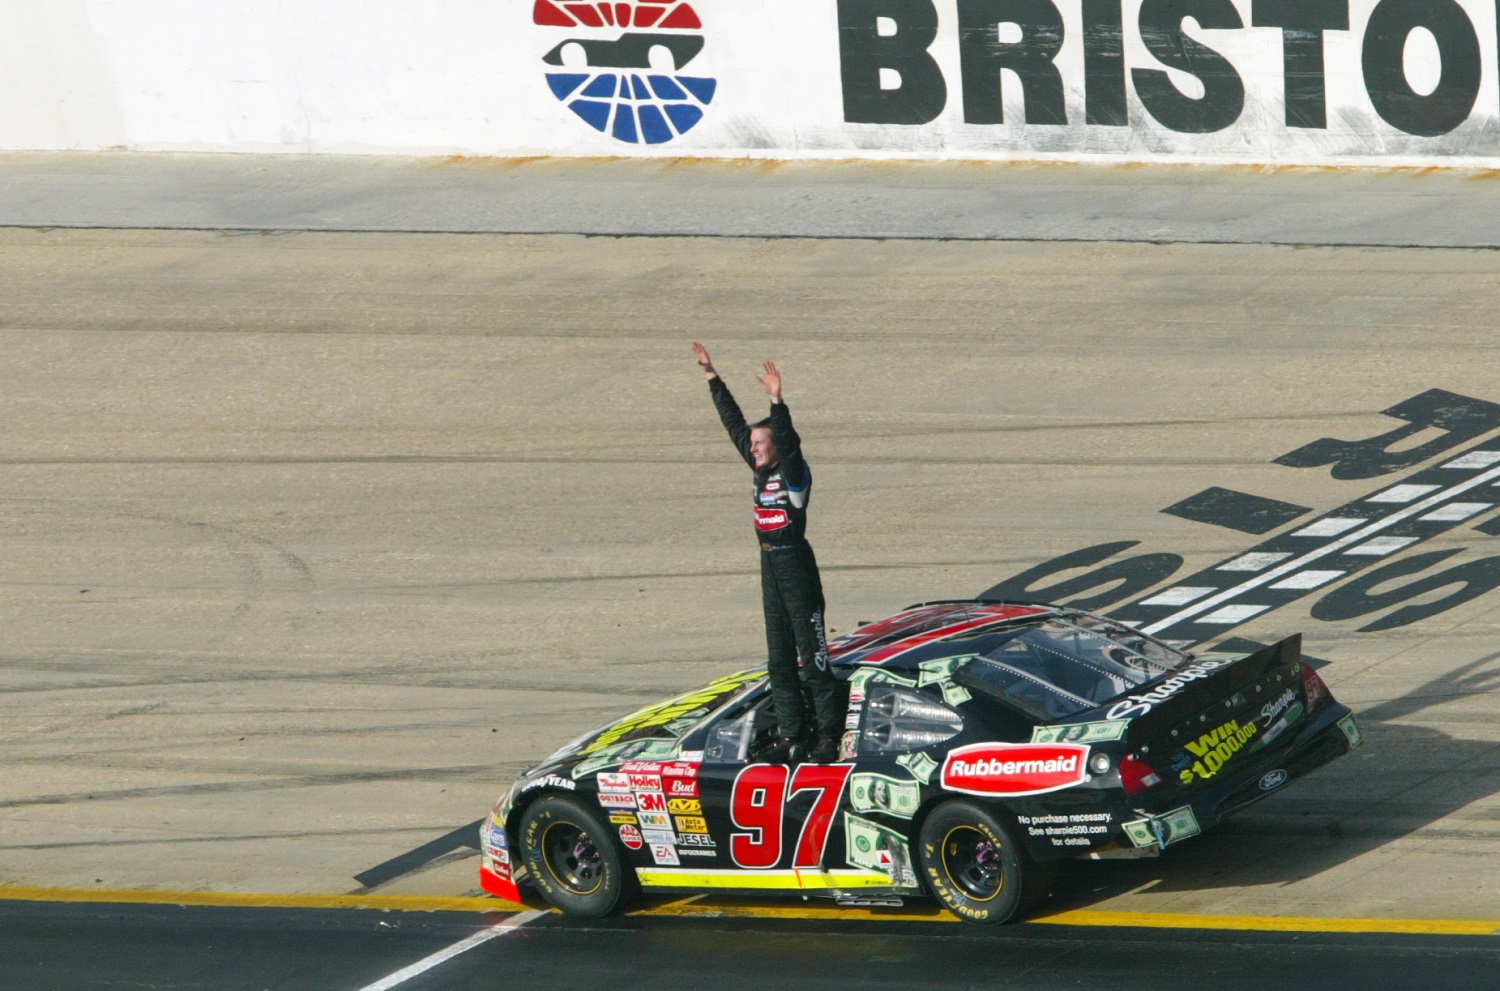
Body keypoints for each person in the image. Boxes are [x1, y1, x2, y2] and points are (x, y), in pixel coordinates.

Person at [693, 342, 845, 763]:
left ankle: (828, 738)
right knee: (779, 658)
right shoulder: (758, 465)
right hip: (769, 564)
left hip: (795, 564)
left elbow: (791, 444)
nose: (754, 448)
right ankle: (794, 736)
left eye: (761, 443)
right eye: (754, 444)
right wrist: (712, 376)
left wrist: (777, 402)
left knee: (811, 657)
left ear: (776, 446)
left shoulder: (793, 473)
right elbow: (734, 426)